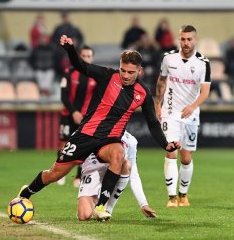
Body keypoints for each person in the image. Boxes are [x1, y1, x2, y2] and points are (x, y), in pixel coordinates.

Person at [18, 34, 180, 221]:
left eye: (130, 72)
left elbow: (152, 123)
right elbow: (81, 66)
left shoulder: (143, 93)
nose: (126, 75)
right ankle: (26, 193)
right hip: (85, 135)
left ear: (140, 71)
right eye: (123, 70)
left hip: (109, 140)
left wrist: (165, 145)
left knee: (118, 154)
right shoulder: (107, 75)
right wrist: (71, 49)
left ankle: (101, 206)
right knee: (54, 174)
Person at [155, 25, 211, 208]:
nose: (185, 43)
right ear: (179, 39)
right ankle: (171, 198)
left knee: (186, 158)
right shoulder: (168, 58)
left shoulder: (203, 63)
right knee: (170, 150)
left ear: (195, 40)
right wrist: (157, 103)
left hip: (191, 115)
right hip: (170, 112)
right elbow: (161, 81)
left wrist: (193, 106)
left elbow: (205, 91)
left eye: (189, 39)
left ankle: (182, 195)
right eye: (183, 39)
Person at [77, 131, 156, 220]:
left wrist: (143, 204)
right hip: (93, 170)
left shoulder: (131, 140)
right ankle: (96, 200)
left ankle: (107, 210)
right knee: (84, 215)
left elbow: (134, 174)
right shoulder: (94, 129)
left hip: (112, 174)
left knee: (126, 164)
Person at [57, 45, 96, 187]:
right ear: (79, 57)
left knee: (83, 145)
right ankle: (60, 172)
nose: (86, 58)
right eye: (83, 56)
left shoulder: (95, 76)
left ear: (92, 58)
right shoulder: (69, 72)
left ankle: (79, 176)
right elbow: (64, 95)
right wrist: (74, 111)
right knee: (63, 143)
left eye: (88, 56)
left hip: (85, 117)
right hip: (68, 114)